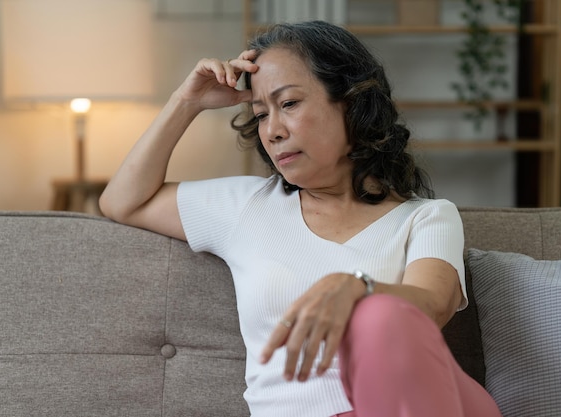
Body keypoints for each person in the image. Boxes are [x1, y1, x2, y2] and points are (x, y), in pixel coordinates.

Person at [99, 20, 501, 417]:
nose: (272, 130)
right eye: (260, 114)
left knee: (381, 316)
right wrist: (186, 102)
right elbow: (123, 202)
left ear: (350, 102)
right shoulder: (247, 206)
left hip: (417, 404)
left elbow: (432, 304)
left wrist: (357, 288)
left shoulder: (426, 217)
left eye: (289, 103)